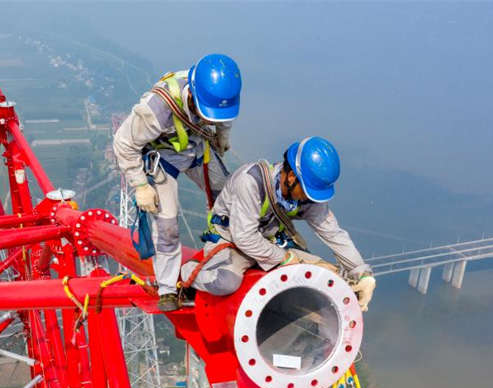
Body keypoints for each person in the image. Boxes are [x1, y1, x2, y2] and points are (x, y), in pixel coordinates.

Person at [181, 136, 377, 311]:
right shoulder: (250, 182)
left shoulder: (307, 197)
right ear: (292, 177)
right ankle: (188, 273)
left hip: (270, 241)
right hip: (232, 241)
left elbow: (333, 233)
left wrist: (362, 273)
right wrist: (284, 259)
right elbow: (244, 237)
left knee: (326, 277)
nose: (310, 200)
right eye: (308, 192)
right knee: (225, 283)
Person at [113, 54, 242, 311]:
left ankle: (234, 251)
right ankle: (168, 288)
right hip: (165, 157)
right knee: (167, 224)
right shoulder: (158, 108)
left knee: (230, 197)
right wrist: (140, 185)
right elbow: (124, 143)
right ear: (192, 95)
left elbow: (223, 116)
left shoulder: (217, 94)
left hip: (196, 149)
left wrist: (222, 136)